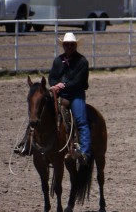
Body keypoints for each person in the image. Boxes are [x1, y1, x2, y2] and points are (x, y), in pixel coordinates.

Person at [23, 32, 92, 164]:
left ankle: (85, 152)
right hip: (60, 94)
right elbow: (52, 77)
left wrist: (63, 85)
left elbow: (79, 81)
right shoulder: (58, 61)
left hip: (76, 94)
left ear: (75, 45)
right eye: (67, 45)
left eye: (71, 45)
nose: (69, 47)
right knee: (38, 113)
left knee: (81, 121)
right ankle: (26, 143)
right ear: (63, 46)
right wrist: (55, 85)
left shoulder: (82, 61)